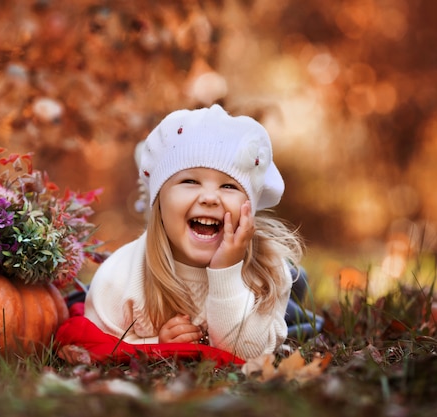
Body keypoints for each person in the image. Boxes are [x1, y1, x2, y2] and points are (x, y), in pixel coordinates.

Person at [82, 104, 309, 361]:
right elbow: (97, 343)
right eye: (190, 181)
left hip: (264, 280)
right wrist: (156, 344)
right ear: (159, 200)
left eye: (228, 185)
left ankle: (299, 289)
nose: (210, 197)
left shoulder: (268, 272)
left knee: (296, 294)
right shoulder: (119, 277)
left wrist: (226, 271)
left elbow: (248, 353)